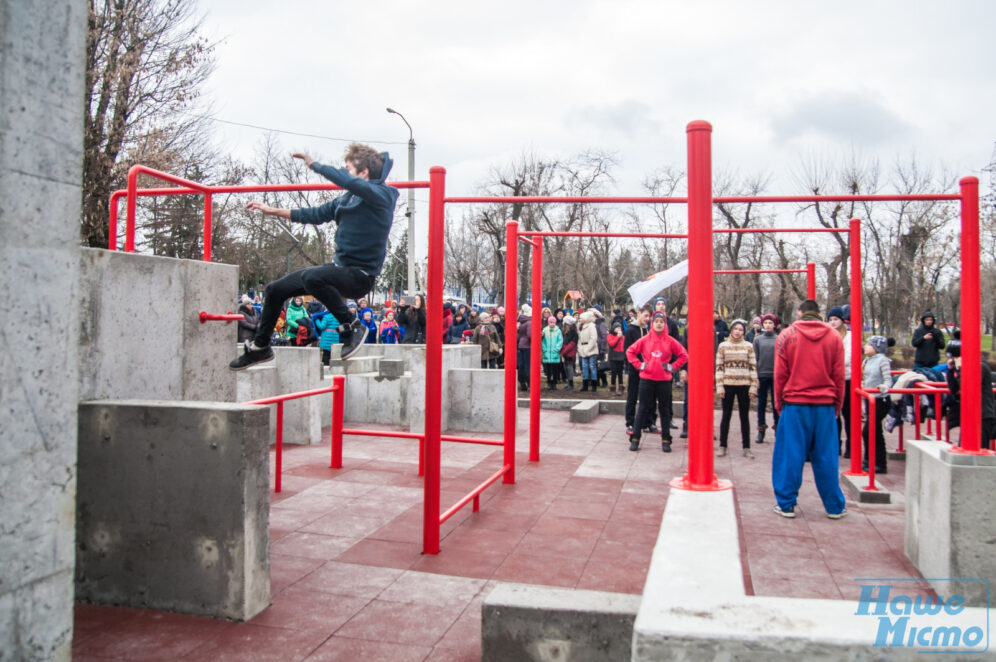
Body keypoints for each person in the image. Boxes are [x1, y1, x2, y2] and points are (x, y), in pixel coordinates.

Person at [230, 144, 397, 369]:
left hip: (360, 277)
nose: (344, 172)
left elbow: (351, 182)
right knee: (274, 289)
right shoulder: (346, 200)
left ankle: (353, 325)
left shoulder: (382, 195)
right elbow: (314, 214)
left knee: (313, 277)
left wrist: (315, 165)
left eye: (347, 168)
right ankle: (261, 347)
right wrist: (271, 210)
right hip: (339, 270)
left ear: (364, 172)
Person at [771, 299, 847, 519]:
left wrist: (779, 404)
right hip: (825, 404)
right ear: (819, 313)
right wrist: (837, 405)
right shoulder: (834, 337)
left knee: (790, 455)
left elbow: (780, 375)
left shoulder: (787, 335)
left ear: (799, 312)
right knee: (827, 457)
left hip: (795, 404)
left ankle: (786, 504)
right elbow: (839, 376)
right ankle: (834, 506)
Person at [625, 312, 688, 453]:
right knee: (642, 409)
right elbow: (630, 351)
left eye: (661, 321)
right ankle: (635, 438)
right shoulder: (645, 339)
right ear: (652, 324)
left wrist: (673, 367)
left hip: (664, 381)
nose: (659, 323)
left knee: (664, 410)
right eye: (656, 321)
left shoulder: (670, 340)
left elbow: (684, 355)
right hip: (646, 380)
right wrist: (639, 365)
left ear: (665, 324)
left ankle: (666, 440)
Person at [943, 336, 996, 449]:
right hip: (969, 413)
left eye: (956, 356)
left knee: (980, 448)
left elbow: (967, 386)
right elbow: (953, 389)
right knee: (964, 447)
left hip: (982, 414)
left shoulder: (980, 366)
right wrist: (951, 370)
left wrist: (959, 369)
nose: (954, 359)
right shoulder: (964, 366)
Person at [715, 319, 758, 459]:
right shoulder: (723, 346)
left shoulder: (748, 346)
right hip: (728, 384)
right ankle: (723, 445)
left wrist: (753, 386)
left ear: (744, 332)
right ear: (731, 330)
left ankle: (746, 447)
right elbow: (719, 367)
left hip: (744, 384)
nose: (738, 331)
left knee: (744, 416)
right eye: (735, 329)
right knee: (726, 415)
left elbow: (752, 367)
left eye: (740, 329)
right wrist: (720, 386)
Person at [861, 336, 893, 474]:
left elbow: (887, 379)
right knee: (874, 431)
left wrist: (883, 386)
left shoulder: (883, 360)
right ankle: (870, 460)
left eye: (868, 345)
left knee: (869, 430)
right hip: (870, 398)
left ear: (876, 347)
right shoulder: (867, 360)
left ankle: (878, 462)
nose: (865, 347)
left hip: (880, 399)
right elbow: (866, 378)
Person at [624, 306, 656, 435]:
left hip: (648, 369)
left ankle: (648, 422)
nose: (647, 319)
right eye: (645, 316)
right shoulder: (631, 330)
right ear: (639, 314)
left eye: (649, 317)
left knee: (648, 397)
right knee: (632, 395)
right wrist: (636, 364)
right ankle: (630, 422)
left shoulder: (649, 330)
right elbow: (628, 350)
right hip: (635, 369)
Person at [826, 305, 852, 455]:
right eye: (830, 320)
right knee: (834, 415)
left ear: (842, 320)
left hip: (846, 378)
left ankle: (851, 445)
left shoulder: (848, 336)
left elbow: (848, 358)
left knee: (848, 414)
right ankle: (836, 444)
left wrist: (833, 364)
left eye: (836, 319)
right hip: (832, 380)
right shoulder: (828, 336)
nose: (833, 322)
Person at [753, 313, 779, 444]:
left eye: (770, 323)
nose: (768, 325)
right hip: (762, 375)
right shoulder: (758, 340)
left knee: (776, 404)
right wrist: (755, 376)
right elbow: (755, 358)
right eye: (766, 323)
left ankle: (778, 430)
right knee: (761, 404)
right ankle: (761, 430)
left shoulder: (779, 339)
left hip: (776, 376)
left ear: (774, 325)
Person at [577, 310, 600, 393]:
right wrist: (580, 348)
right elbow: (579, 339)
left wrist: (588, 349)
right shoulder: (581, 327)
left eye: (581, 318)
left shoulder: (591, 326)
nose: (579, 320)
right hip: (583, 349)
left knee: (592, 366)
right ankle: (585, 385)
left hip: (591, 350)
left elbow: (593, 338)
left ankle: (594, 385)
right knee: (584, 367)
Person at [541, 316, 563, 390]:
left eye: (553, 322)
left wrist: (556, 349)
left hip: (554, 353)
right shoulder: (544, 330)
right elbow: (542, 341)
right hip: (547, 353)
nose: (552, 324)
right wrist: (544, 349)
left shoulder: (558, 331)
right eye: (551, 322)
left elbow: (560, 341)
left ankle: (554, 382)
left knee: (555, 370)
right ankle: (549, 382)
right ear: (548, 322)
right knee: (548, 370)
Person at [606, 322, 626, 396]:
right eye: (617, 328)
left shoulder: (623, 337)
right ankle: (613, 387)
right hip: (613, 357)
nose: (619, 329)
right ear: (614, 329)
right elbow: (612, 344)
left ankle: (621, 388)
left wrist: (621, 337)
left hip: (620, 357)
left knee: (620, 373)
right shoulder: (610, 336)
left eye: (620, 328)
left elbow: (623, 346)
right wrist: (618, 337)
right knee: (613, 373)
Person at [560, 315, 578, 390]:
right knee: (566, 367)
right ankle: (569, 382)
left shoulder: (573, 332)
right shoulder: (565, 332)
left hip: (570, 352)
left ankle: (571, 383)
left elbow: (572, 344)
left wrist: (563, 351)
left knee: (569, 368)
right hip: (566, 352)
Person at [517, 304, 532, 391]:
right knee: (528, 366)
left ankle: (522, 383)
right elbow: (530, 335)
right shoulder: (530, 322)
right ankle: (530, 383)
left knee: (522, 365)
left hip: (521, 345)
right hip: (528, 346)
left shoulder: (522, 322)